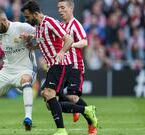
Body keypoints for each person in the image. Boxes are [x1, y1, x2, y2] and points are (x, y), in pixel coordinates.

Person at [21, 1, 97, 135]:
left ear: (36, 14)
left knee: (49, 94)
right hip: (54, 65)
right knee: (50, 103)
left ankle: (62, 130)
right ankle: (85, 110)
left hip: (61, 64)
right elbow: (45, 41)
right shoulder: (39, 26)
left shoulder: (50, 22)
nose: (27, 20)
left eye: (28, 17)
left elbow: (69, 40)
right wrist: (32, 45)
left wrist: (61, 52)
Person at [57, 0, 97, 134]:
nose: (59, 10)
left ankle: (92, 123)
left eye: (62, 8)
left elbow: (85, 42)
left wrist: (71, 45)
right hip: (64, 66)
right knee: (55, 96)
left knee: (73, 97)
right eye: (58, 8)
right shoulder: (61, 26)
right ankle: (75, 108)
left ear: (70, 8)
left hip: (75, 66)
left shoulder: (75, 25)